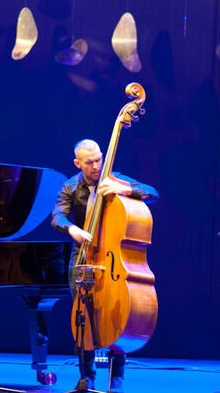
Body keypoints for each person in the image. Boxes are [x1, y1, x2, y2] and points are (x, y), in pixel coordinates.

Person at [51, 139, 158, 392]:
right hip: (83, 259)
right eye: (90, 163)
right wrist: (72, 228)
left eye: (99, 159)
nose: (97, 166)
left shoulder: (114, 179)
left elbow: (152, 192)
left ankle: (117, 377)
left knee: (118, 316)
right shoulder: (70, 186)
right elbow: (57, 215)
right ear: (78, 163)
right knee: (84, 319)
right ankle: (86, 377)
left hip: (113, 263)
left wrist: (126, 190)